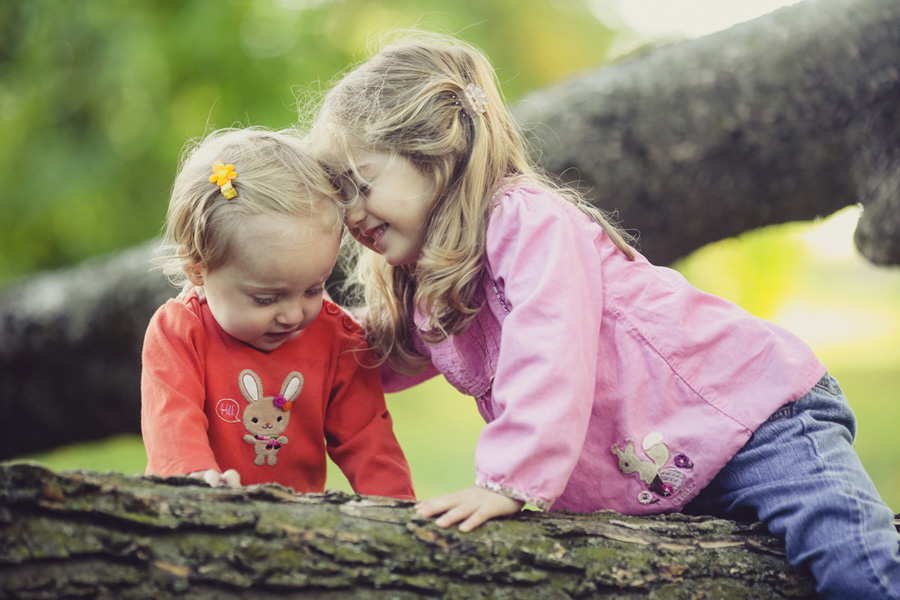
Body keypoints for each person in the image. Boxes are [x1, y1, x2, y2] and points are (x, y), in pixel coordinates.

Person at [309, 31, 900, 598]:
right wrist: (265, 326)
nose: (352, 214)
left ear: (438, 157)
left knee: (856, 566)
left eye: (361, 185)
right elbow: (366, 359)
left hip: (757, 423)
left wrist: (507, 480)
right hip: (671, 474)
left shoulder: (524, 221)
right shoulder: (431, 285)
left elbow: (549, 349)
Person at [141, 127, 414, 500]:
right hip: (195, 511)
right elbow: (172, 420)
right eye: (266, 299)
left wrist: (398, 513)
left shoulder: (338, 339)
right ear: (198, 268)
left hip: (290, 524)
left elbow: (368, 440)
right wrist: (195, 481)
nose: (293, 315)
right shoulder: (179, 333)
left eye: (313, 289)